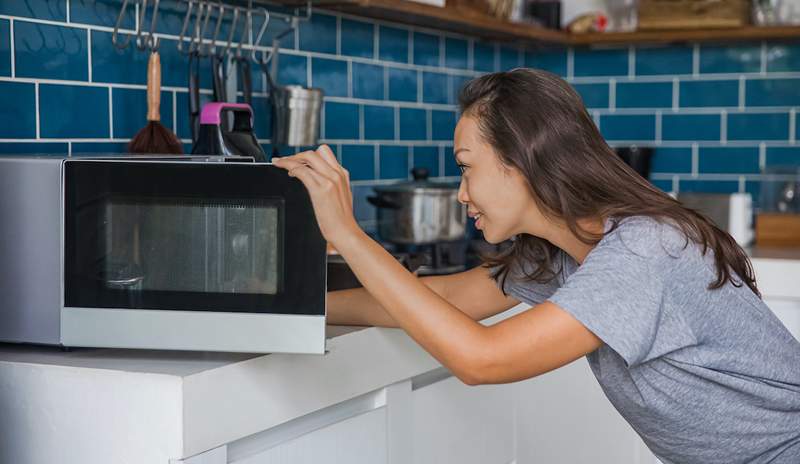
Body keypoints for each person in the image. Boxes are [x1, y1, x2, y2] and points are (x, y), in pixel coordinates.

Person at [271, 68, 800, 463]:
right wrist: (293, 309)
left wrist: (346, 232)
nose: (461, 194)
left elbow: (485, 360)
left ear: (521, 161)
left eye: (465, 168)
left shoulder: (643, 252)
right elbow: (450, 299)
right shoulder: (564, 254)